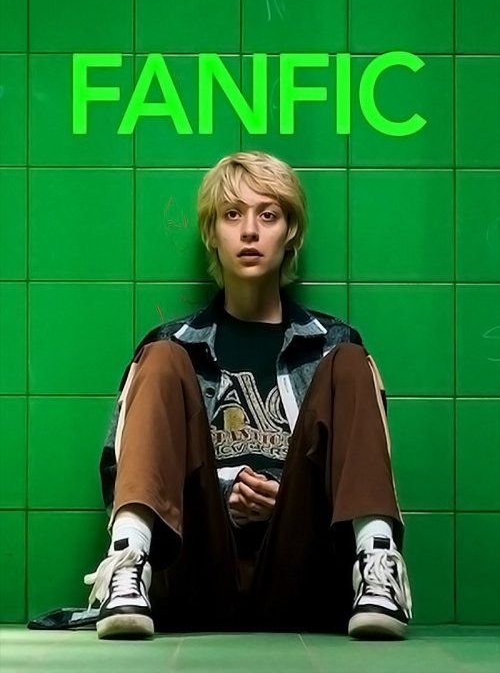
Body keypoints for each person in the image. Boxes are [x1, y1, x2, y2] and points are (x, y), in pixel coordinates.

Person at [83, 151, 412, 641]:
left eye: (269, 215)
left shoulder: (331, 345)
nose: (250, 231)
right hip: (196, 572)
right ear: (211, 234)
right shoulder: (173, 347)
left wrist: (285, 498)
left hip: (304, 574)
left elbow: (361, 475)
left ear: (291, 232)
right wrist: (224, 492)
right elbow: (121, 473)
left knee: (350, 361)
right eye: (232, 215)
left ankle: (378, 568)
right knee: (161, 357)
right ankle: (127, 565)